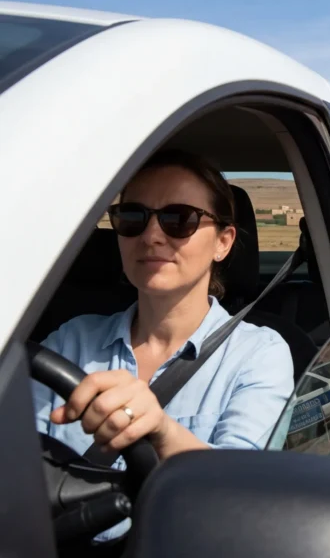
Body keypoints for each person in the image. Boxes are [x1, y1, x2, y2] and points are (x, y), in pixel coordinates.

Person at [33, 149, 295, 540]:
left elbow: (241, 495)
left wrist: (161, 431)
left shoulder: (259, 356)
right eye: (132, 218)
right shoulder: (70, 340)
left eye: (179, 220)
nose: (152, 236)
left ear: (223, 243)